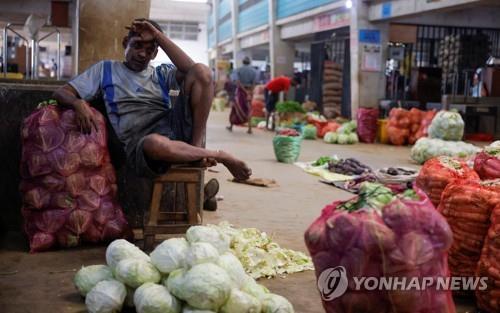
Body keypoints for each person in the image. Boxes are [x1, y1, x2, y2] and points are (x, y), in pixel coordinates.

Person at [53, 19, 251, 188]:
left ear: (155, 54)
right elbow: (62, 92)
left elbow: (194, 71)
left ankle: (195, 150)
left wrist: (157, 34)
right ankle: (217, 155)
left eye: (149, 50)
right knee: (155, 143)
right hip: (141, 144)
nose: (142, 54)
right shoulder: (106, 69)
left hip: (175, 131)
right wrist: (78, 103)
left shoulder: (161, 73)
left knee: (202, 71)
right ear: (125, 43)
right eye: (137, 46)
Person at [227, 56, 257, 134]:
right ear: (249, 62)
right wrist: (250, 92)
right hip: (249, 91)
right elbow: (254, 83)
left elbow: (237, 82)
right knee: (248, 109)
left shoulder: (238, 70)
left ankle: (231, 126)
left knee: (235, 108)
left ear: (243, 62)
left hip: (240, 91)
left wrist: (244, 90)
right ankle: (250, 129)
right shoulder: (254, 71)